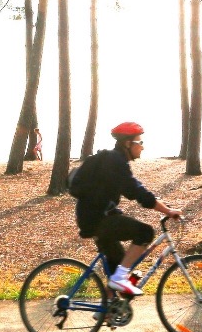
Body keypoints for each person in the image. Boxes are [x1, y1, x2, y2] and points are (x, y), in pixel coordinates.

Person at [74, 121, 182, 296]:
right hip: (97, 219)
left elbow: (135, 189)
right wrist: (168, 211)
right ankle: (119, 279)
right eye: (139, 142)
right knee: (145, 232)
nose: (142, 147)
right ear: (127, 143)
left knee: (118, 266)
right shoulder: (114, 161)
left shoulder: (112, 160)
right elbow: (136, 191)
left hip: (93, 217)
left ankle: (108, 310)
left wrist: (160, 204)